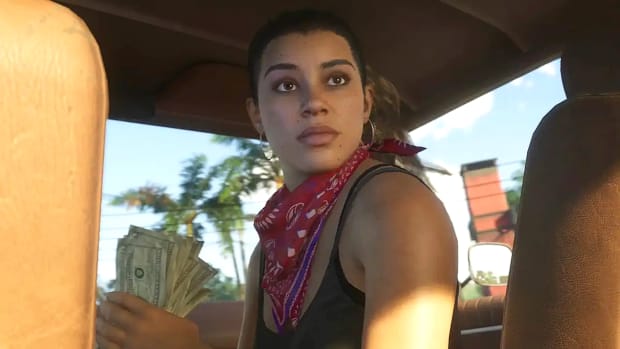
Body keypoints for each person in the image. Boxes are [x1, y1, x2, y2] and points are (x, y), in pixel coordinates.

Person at [96, 9, 457, 349]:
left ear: (364, 103)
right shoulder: (268, 251)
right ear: (256, 116)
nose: (314, 102)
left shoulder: (395, 208)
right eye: (286, 85)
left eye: (336, 79)